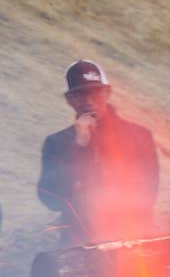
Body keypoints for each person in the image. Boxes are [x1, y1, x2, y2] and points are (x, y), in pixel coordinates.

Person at [37, 59, 159, 247]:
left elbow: (147, 193)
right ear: (69, 100)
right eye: (79, 95)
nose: (88, 101)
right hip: (80, 246)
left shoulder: (138, 136)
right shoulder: (57, 143)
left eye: (95, 92)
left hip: (133, 242)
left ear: (107, 92)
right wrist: (78, 147)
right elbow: (50, 199)